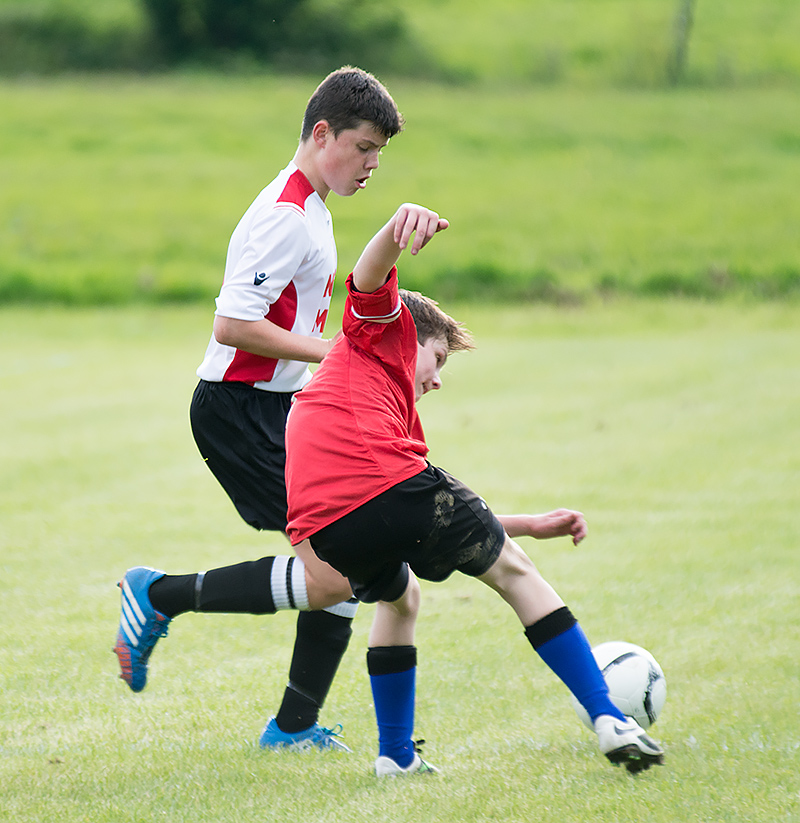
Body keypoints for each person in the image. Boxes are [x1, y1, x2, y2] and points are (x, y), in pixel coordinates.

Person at [283, 203, 666, 775]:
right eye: (437, 359)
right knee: (516, 571)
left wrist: (529, 522)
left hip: (327, 527)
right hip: (378, 488)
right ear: (409, 334)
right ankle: (609, 717)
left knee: (400, 597)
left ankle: (394, 757)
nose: (437, 379)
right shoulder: (379, 334)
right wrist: (395, 228)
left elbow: (415, 519)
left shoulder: (365, 399)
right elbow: (365, 280)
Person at [113, 67, 405, 752]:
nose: (370, 166)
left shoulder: (312, 207)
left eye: (379, 156)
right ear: (322, 132)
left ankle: (293, 728)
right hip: (237, 413)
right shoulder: (285, 216)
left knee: (349, 561)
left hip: (280, 407)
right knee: (334, 571)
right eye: (363, 148)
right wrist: (331, 352)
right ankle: (157, 595)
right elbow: (232, 325)